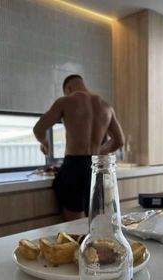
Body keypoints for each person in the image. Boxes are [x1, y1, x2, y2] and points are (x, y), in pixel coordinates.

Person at [33, 74, 125, 221]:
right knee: (96, 223)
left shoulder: (66, 101)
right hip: (97, 168)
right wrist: (98, 152)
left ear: (68, 88)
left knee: (75, 226)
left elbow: (38, 129)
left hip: (74, 168)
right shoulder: (106, 106)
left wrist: (45, 143)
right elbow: (119, 141)